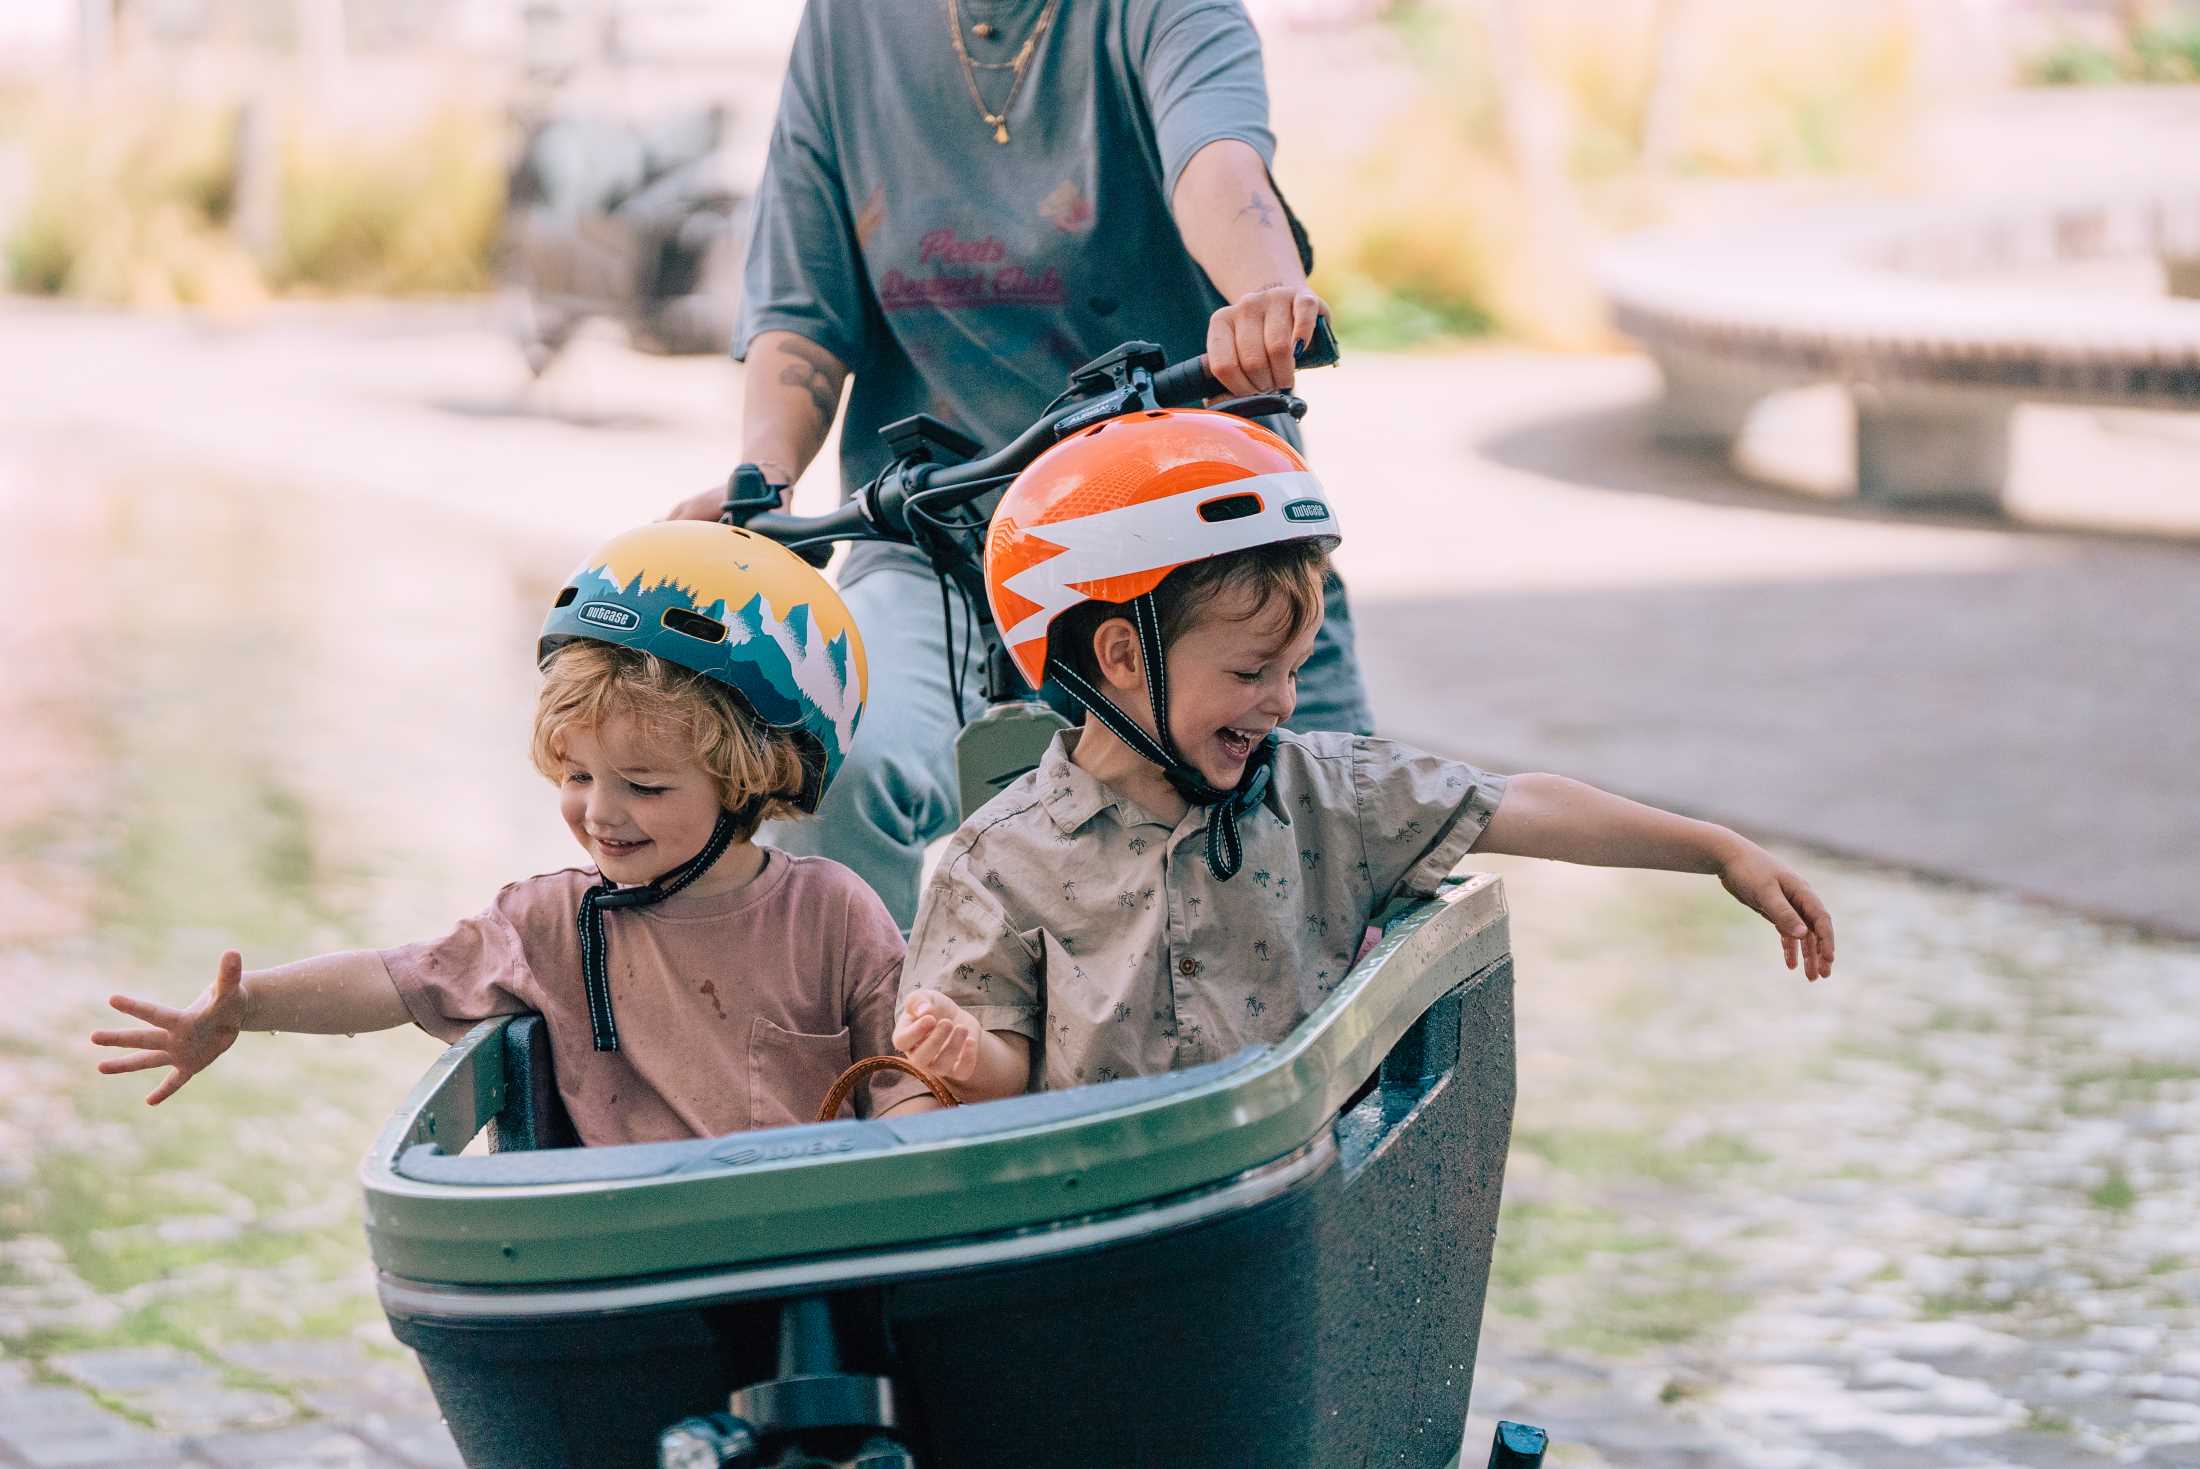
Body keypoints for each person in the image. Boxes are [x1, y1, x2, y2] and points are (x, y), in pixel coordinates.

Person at [877, 411, 1836, 1108]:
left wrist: (1716, 849)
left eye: (1294, 670)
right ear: (1123, 657)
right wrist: (966, 1059)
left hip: (1295, 1227)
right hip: (1108, 1247)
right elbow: (990, 1071)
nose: (1283, 701)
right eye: (1253, 669)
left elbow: (1525, 804)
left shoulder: (1328, 794)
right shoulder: (995, 863)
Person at [667, 0, 1373, 928]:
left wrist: (1267, 293)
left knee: (1322, 842)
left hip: (1193, 542)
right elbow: (802, 300)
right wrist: (763, 480)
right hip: (940, 530)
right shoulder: (847, 23)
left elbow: (1218, 160)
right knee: (833, 758)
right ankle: (869, 1063)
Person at [91, 523, 905, 1143]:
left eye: (645, 785)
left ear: (755, 775)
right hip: (630, 1269)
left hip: (807, 1249)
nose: (600, 812)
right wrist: (248, 1004)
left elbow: (903, 1082)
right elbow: (393, 978)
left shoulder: (834, 913)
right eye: (577, 777)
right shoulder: (547, 921)